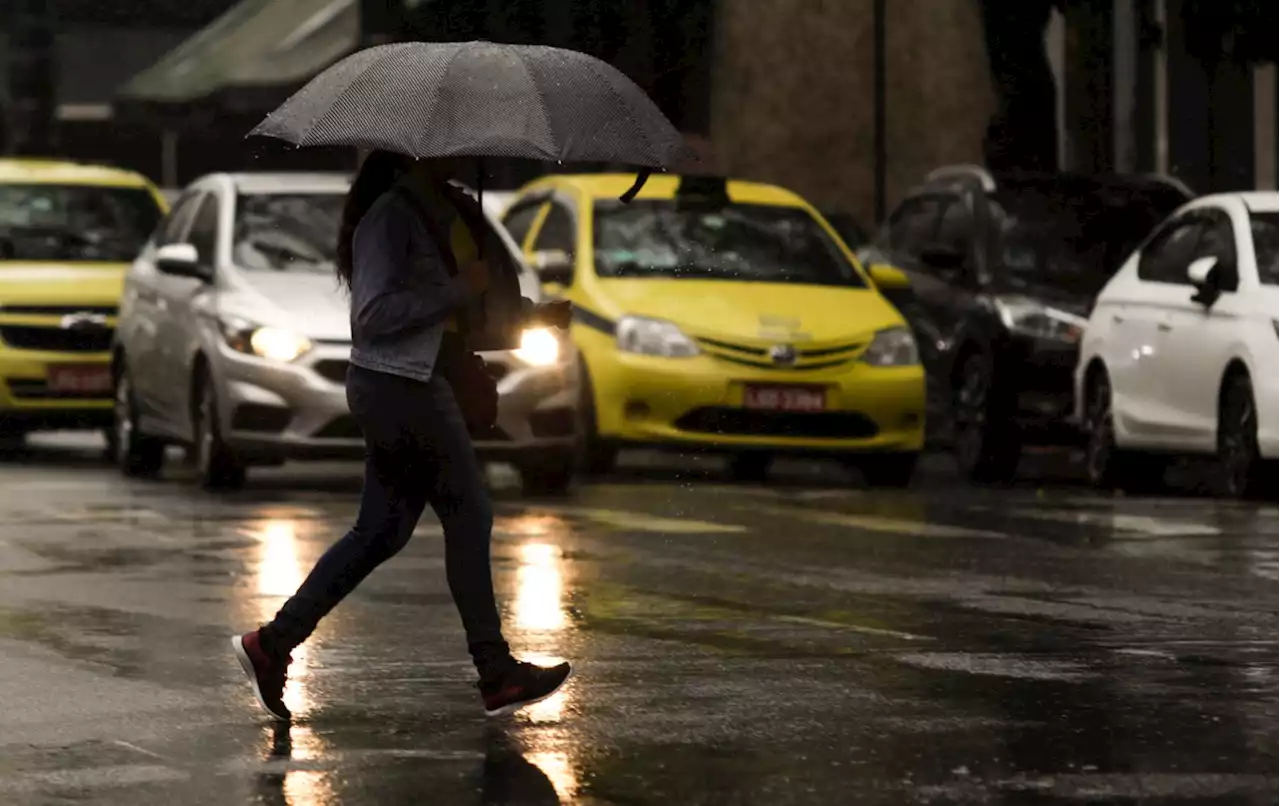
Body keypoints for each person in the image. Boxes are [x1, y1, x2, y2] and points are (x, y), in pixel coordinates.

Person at [231, 150, 573, 721]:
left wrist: (533, 315)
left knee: (381, 531)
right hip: (401, 387)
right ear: (426, 148)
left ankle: (272, 644)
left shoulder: (441, 209)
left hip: (414, 381)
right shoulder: (391, 217)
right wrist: (458, 288)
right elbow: (374, 315)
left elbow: (460, 313)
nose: (474, 150)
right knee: (468, 513)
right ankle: (495, 672)